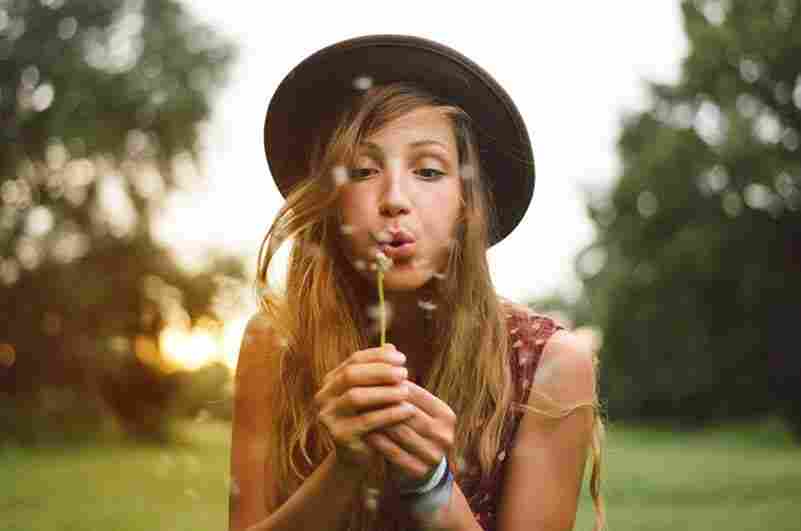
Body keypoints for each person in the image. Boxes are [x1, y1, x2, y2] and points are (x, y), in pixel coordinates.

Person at [229, 34, 606, 531]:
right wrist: (343, 469)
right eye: (362, 170)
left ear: (466, 203)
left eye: (428, 171)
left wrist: (430, 484)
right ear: (329, 202)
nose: (395, 199)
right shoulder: (276, 344)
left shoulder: (550, 366)